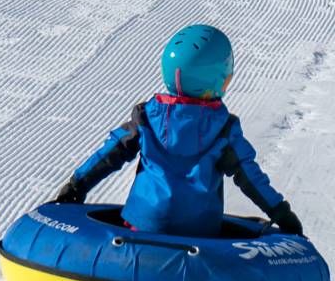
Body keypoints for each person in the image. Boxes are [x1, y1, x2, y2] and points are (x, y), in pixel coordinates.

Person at [50, 23, 303, 239]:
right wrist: (281, 213)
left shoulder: (147, 118)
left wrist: (76, 187)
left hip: (143, 225)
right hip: (199, 235)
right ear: (221, 78)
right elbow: (250, 178)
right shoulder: (224, 130)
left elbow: (108, 154)